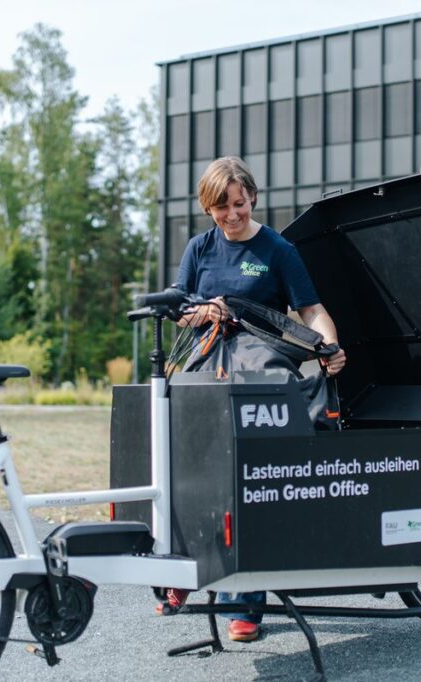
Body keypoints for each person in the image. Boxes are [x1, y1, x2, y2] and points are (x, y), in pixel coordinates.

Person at [163, 156, 346, 642]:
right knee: (187, 468)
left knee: (252, 481)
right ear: (209, 208)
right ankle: (185, 572)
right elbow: (179, 309)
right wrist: (202, 311)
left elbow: (311, 309)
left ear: (253, 199)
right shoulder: (199, 249)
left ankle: (247, 606)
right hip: (206, 365)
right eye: (221, 208)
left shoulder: (278, 249)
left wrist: (329, 345)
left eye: (239, 204)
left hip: (260, 369)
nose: (232, 216)